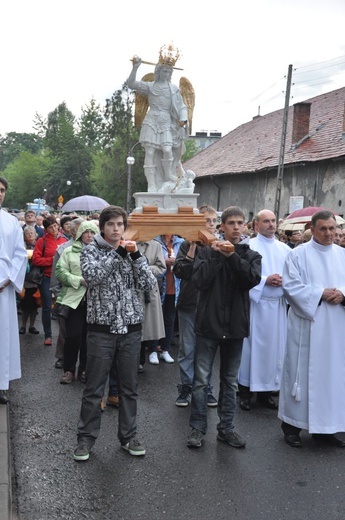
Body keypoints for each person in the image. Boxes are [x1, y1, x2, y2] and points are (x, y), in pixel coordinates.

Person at [73, 206, 156, 461]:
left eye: (120, 224)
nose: (116, 228)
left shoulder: (133, 251)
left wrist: (136, 258)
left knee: (129, 389)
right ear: (102, 227)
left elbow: (149, 284)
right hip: (101, 330)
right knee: (94, 388)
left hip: (130, 330)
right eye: (111, 224)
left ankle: (129, 437)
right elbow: (93, 276)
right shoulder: (90, 250)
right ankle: (86, 440)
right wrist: (119, 253)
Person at [187, 206, 262, 449]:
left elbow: (250, 280)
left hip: (235, 327)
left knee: (229, 381)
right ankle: (197, 429)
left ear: (246, 226)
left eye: (241, 223)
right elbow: (199, 281)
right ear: (222, 227)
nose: (236, 227)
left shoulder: (251, 256)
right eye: (231, 223)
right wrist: (219, 254)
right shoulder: (208, 252)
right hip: (208, 325)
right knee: (201, 381)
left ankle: (226, 428)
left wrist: (231, 256)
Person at [279, 210, 345, 448]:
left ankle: (327, 428)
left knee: (332, 377)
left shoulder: (343, 255)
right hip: (308, 325)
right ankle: (292, 426)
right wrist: (320, 293)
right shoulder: (298, 255)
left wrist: (342, 295)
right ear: (313, 229)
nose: (329, 233)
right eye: (323, 229)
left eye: (332, 228)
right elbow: (291, 287)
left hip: (336, 327)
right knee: (301, 374)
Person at [238, 210, 290, 410]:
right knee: (249, 349)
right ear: (256, 225)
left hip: (277, 307)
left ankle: (266, 392)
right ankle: (245, 391)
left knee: (274, 351)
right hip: (255, 306)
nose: (271, 224)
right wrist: (264, 280)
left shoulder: (285, 249)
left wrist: (285, 282)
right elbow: (241, 276)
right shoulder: (247, 246)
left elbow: (293, 276)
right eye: (266, 221)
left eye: (273, 221)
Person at [173, 205, 219, 407]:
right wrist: (192, 246)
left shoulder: (219, 245)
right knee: (187, 348)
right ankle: (186, 386)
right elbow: (181, 272)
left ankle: (206, 388)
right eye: (206, 221)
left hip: (210, 306)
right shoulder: (185, 245)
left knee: (206, 349)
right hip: (189, 304)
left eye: (213, 221)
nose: (210, 224)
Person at [127, 56, 188, 193]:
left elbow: (182, 106)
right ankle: (152, 184)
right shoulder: (150, 86)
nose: (166, 74)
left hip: (167, 122)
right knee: (150, 152)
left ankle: (168, 175)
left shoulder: (173, 89)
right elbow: (131, 84)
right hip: (152, 119)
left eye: (168, 72)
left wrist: (183, 119)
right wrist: (135, 67)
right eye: (164, 71)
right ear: (158, 71)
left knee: (167, 149)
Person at [55, 220, 99, 385]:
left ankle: (84, 370)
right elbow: (60, 271)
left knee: (90, 338)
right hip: (74, 301)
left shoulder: (102, 252)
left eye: (92, 232)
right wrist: (79, 280)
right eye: (86, 232)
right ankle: (69, 370)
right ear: (80, 233)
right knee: (73, 336)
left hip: (95, 301)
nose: (89, 235)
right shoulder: (69, 251)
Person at [0, 176, 27, 404]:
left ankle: (1, 383)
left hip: (4, 288)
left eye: (2, 190)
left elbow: (19, 253)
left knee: (3, 335)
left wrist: (9, 279)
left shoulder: (11, 222)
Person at [50, 217, 85, 368]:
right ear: (73, 231)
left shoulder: (92, 247)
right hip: (67, 295)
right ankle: (62, 357)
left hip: (85, 296)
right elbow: (56, 274)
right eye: (81, 229)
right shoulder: (64, 249)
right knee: (65, 330)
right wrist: (57, 294)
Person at [32, 216, 66, 346]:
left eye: (55, 226)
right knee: (47, 306)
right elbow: (36, 260)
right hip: (46, 277)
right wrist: (52, 260)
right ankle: (48, 335)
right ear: (46, 229)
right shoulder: (42, 241)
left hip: (61, 277)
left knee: (62, 305)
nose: (54, 229)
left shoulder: (64, 240)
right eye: (50, 227)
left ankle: (63, 335)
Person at [152, 234, 184, 364]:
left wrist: (177, 262)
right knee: (155, 318)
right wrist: (163, 262)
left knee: (169, 319)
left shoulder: (181, 242)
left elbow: (185, 262)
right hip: (158, 286)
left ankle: (165, 349)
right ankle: (153, 350)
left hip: (174, 286)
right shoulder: (154, 241)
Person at [19, 226, 40, 335]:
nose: (30, 235)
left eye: (32, 233)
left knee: (35, 305)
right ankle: (23, 325)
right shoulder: (21, 246)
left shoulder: (39, 245)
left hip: (36, 279)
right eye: (27, 233)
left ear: (36, 234)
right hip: (25, 280)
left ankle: (32, 326)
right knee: (25, 305)